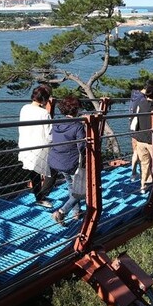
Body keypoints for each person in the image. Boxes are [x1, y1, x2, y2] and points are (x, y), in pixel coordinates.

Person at [45, 96, 86, 225]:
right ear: (76, 109)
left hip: (56, 160)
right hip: (71, 163)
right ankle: (62, 212)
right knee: (81, 190)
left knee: (70, 185)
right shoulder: (78, 126)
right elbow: (82, 147)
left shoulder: (57, 123)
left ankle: (77, 212)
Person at [18, 85, 53, 207]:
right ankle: (42, 196)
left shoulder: (24, 108)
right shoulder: (44, 113)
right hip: (40, 146)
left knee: (33, 171)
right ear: (44, 99)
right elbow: (49, 134)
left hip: (26, 144)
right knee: (52, 169)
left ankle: (39, 196)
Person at [133, 83, 153, 193]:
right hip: (152, 139)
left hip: (140, 138)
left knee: (144, 163)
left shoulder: (140, 105)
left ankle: (143, 185)